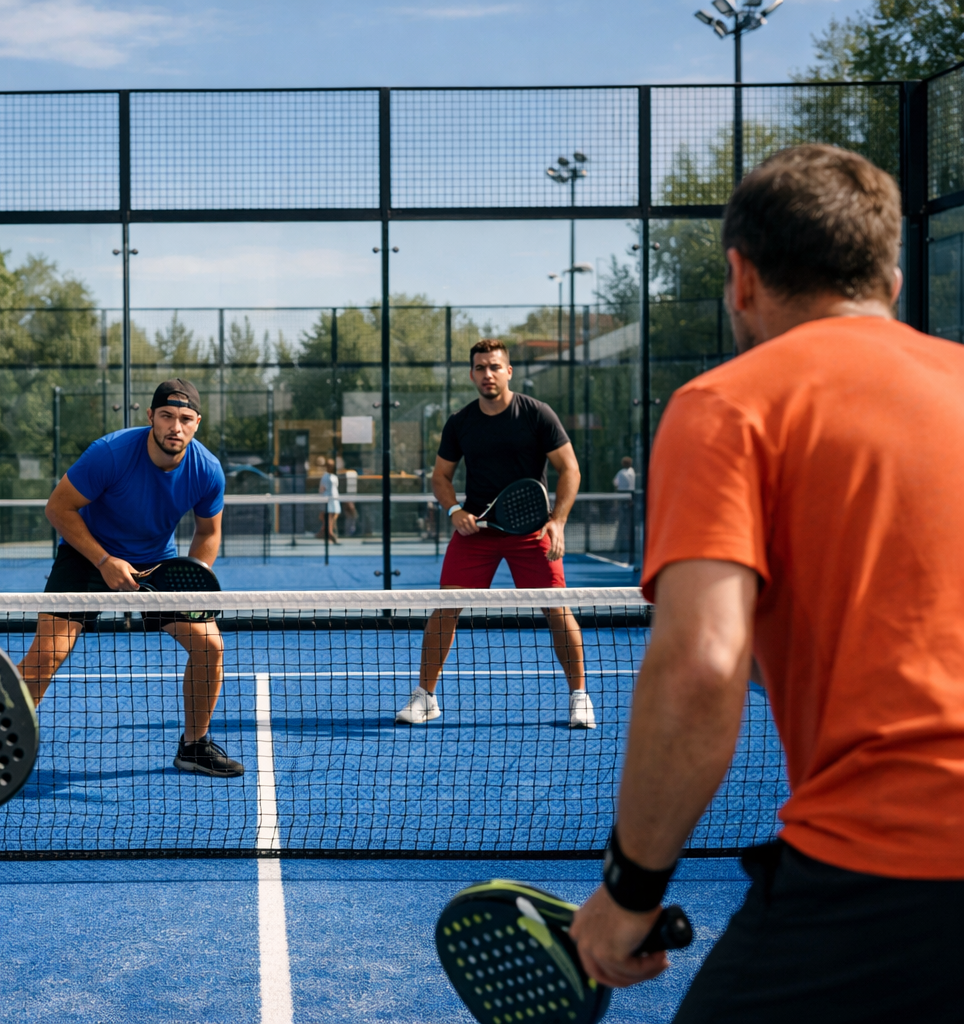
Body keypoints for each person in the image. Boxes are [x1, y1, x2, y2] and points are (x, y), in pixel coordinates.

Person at [568, 144, 964, 1020]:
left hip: (895, 868)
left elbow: (702, 665)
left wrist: (630, 891)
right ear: (891, 279)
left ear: (741, 279)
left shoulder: (729, 405)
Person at [19, 379, 241, 777]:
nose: (176, 426)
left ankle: (194, 746)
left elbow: (208, 533)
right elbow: (58, 508)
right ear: (151, 416)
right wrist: (104, 560)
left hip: (157, 563)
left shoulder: (207, 470)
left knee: (210, 647)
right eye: (168, 416)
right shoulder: (111, 453)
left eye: (185, 419)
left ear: (197, 423)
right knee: (46, 657)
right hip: (87, 557)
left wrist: (195, 580)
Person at [397, 339, 594, 729]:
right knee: (445, 609)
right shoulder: (461, 422)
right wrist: (455, 510)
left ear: (509, 371)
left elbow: (569, 469)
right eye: (480, 367)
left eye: (494, 366)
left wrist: (558, 520)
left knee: (557, 608)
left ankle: (579, 697)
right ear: (472, 374)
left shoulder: (537, 415)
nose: (487, 373)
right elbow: (441, 476)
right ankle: (425, 698)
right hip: (477, 534)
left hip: (531, 532)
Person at [314, 455, 341, 542]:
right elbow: (322, 489)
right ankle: (329, 533)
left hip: (334, 499)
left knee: (332, 516)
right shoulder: (325, 477)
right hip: (327, 499)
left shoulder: (334, 477)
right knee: (327, 517)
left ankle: (325, 532)